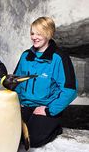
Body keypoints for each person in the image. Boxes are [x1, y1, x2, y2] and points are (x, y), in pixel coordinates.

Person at [13, 16, 78, 148]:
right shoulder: (26, 56)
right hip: (25, 106)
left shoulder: (60, 58)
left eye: (39, 33)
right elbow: (16, 82)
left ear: (48, 34)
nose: (34, 37)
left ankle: (55, 126)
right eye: (32, 33)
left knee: (32, 139)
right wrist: (15, 104)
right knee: (13, 134)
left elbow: (70, 90)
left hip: (45, 108)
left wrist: (49, 110)